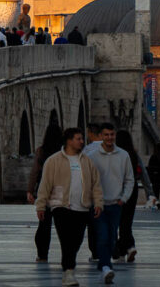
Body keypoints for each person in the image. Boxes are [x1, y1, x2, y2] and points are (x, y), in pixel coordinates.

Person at [35, 127, 103, 287]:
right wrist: (41, 205)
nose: (82, 142)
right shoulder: (53, 161)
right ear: (69, 141)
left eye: (82, 139)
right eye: (78, 139)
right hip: (61, 206)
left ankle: (69, 268)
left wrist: (98, 202)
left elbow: (96, 184)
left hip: (83, 207)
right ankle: (68, 271)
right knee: (66, 240)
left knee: (77, 240)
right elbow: (45, 184)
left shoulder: (87, 161)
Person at [87, 123, 133, 284]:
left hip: (115, 203)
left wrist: (123, 198)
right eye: (106, 135)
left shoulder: (123, 155)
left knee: (112, 236)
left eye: (112, 134)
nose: (109, 138)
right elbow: (88, 180)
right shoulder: (92, 156)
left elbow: (129, 179)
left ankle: (103, 264)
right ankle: (106, 267)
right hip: (98, 204)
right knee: (102, 235)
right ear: (101, 136)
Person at [26, 123, 62, 262]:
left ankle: (42, 254)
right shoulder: (64, 151)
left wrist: (30, 190)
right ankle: (67, 253)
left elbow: (34, 172)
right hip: (60, 191)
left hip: (45, 190)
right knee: (61, 224)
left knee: (44, 224)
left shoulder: (42, 151)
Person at [113, 129, 142, 262]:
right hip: (133, 189)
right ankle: (123, 251)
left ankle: (128, 247)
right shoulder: (133, 154)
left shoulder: (118, 154)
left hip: (119, 188)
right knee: (127, 221)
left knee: (118, 221)